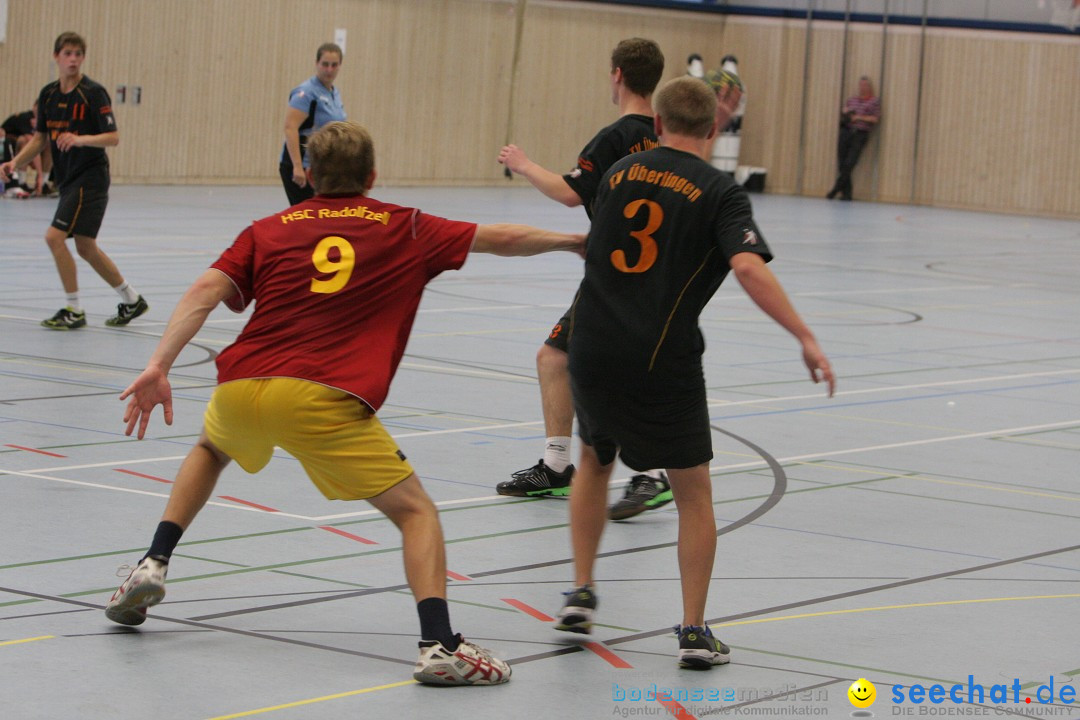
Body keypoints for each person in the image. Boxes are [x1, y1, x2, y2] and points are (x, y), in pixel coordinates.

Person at [104, 120, 584, 686]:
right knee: (417, 513)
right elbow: (500, 237)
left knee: (211, 448)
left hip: (240, 386)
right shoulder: (404, 225)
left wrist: (158, 364)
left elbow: (203, 292)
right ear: (373, 176)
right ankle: (439, 646)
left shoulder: (267, 228)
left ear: (307, 175)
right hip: (321, 396)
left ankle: (152, 562)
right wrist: (573, 242)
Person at [555, 77, 834, 668]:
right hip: (660, 357)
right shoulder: (719, 192)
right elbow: (749, 269)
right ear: (714, 130)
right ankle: (693, 630)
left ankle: (580, 592)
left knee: (594, 460)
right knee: (694, 492)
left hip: (591, 344)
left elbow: (595, 245)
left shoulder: (617, 175)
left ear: (656, 125)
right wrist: (804, 335)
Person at [496, 37, 673, 520]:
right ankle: (558, 466)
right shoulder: (667, 135)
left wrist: (523, 164)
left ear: (617, 75)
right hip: (656, 276)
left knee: (581, 362)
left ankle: (650, 472)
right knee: (560, 356)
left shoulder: (613, 138)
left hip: (615, 279)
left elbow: (573, 192)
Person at [0, 32, 148, 329]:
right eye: (67, 53)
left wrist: (80, 140)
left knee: (54, 237)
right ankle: (133, 301)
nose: (73, 59)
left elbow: (113, 137)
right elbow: (41, 138)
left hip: (90, 177)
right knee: (85, 247)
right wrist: (16, 162)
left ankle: (74, 309)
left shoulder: (93, 93)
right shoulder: (49, 95)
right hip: (69, 180)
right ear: (56, 56)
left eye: (78, 54)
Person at [280, 42, 346, 205]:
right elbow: (290, 127)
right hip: (304, 165)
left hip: (322, 166)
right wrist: (297, 167)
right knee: (306, 216)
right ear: (317, 64)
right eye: (325, 64)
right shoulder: (306, 93)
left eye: (334, 65)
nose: (329, 69)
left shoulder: (334, 93)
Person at [827, 76, 881, 201]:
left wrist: (859, 117)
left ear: (869, 87)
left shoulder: (874, 101)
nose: (862, 87)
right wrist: (846, 112)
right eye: (861, 85)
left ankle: (836, 188)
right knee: (842, 162)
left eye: (865, 85)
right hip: (846, 131)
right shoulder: (852, 100)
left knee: (850, 162)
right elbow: (845, 116)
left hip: (860, 133)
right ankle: (847, 193)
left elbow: (875, 119)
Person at [2, 102, 54, 196]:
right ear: (34, 106)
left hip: (27, 150)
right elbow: (34, 146)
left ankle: (43, 184)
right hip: (10, 147)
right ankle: (22, 182)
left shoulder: (45, 120)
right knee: (24, 141)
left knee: (49, 143)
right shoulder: (25, 117)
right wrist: (39, 174)